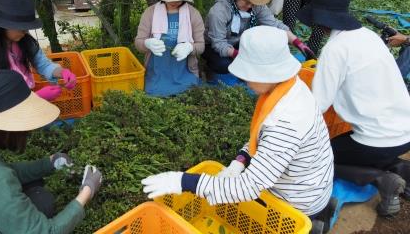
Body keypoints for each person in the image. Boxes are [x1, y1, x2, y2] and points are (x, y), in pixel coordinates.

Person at [142, 26, 334, 224]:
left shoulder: (286, 122)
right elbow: (262, 136)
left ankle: (314, 223)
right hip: (312, 181)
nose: (245, 81)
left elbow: (247, 188)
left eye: (247, 75)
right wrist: (241, 160)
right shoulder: (292, 86)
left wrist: (183, 181)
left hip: (299, 202)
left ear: (265, 74)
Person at [297, 0, 410, 217]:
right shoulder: (368, 36)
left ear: (320, 20)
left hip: (377, 139)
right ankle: (402, 168)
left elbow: (317, 106)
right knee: (353, 145)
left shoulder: (334, 50)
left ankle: (382, 179)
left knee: (317, 158)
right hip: (405, 131)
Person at [0, 70, 102, 233]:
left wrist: (48, 163)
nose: (27, 133)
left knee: (40, 198)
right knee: (43, 202)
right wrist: (86, 193)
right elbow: (45, 231)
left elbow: (3, 171)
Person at [0, 0, 77, 101]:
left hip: (16, 99)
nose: (25, 32)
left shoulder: (23, 40)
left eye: (26, 27)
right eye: (21, 27)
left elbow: (44, 65)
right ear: (2, 25)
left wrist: (62, 72)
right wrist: (36, 98)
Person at [203, 0, 314, 75]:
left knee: (262, 54)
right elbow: (218, 43)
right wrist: (239, 56)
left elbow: (274, 24)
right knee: (224, 65)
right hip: (213, 45)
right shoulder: (219, 11)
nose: (250, 6)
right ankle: (209, 67)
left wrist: (298, 43)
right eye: (246, 2)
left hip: (238, 41)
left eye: (253, 3)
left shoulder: (256, 5)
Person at [134, 0, 205, 96]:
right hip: (156, 74)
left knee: (188, 95)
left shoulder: (193, 14)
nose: (174, 1)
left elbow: (201, 45)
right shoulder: (150, 13)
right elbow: (138, 43)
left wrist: (190, 47)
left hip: (184, 73)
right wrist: (147, 43)